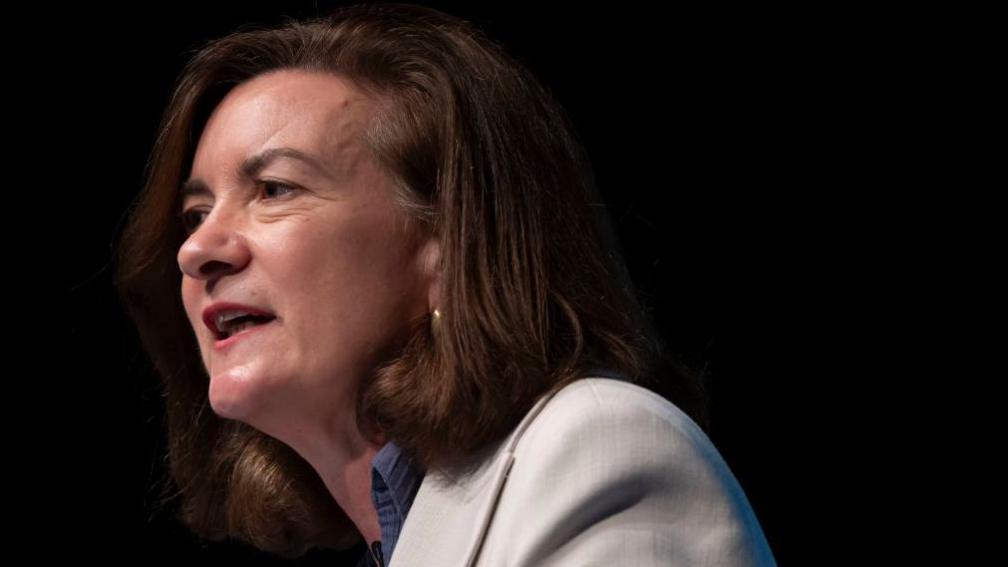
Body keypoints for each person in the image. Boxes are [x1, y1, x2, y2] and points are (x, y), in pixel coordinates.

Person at [114, 3, 777, 566]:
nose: (198, 250)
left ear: (447, 244)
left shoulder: (599, 453)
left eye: (275, 189)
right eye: (196, 215)